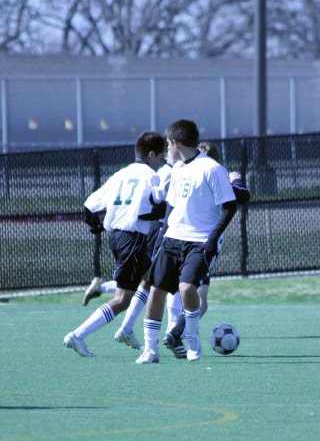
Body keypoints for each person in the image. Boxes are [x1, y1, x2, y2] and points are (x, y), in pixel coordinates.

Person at [136, 120, 237, 364]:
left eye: (167, 144)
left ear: (174, 142)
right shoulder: (177, 169)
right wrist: (162, 237)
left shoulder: (211, 168)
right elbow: (171, 206)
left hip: (199, 241)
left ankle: (192, 337)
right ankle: (150, 349)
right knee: (156, 291)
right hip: (172, 239)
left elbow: (229, 205)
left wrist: (212, 239)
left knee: (186, 288)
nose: (166, 150)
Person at [64, 130, 165, 357]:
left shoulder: (120, 174)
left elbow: (89, 206)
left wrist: (97, 227)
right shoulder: (151, 176)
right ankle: (77, 335)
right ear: (151, 154)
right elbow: (148, 211)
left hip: (117, 237)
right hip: (133, 239)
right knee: (122, 299)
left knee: (152, 278)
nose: (160, 162)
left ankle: (127, 329)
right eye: (160, 156)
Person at [162, 140, 250, 358]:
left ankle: (174, 332)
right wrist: (236, 178)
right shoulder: (213, 176)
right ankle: (176, 332)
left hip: (179, 238)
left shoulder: (187, 173)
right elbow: (243, 194)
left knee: (181, 289)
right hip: (201, 242)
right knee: (195, 295)